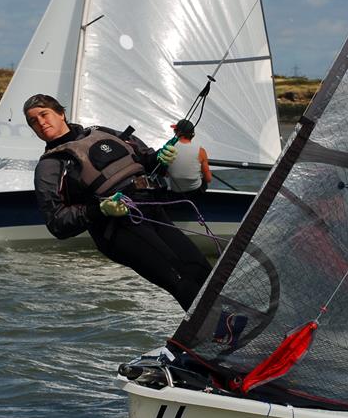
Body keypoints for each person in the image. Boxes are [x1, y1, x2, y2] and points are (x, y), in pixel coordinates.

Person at [24, 94, 212, 311]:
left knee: (201, 271)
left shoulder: (101, 133)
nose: (40, 123)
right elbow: (56, 222)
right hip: (116, 228)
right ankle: (215, 336)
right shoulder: (50, 165)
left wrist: (160, 159)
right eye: (33, 121)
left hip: (150, 211)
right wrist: (101, 209)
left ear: (61, 113)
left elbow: (145, 161)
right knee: (180, 278)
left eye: (44, 114)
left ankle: (235, 322)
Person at [165, 118, 212, 199]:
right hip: (194, 192)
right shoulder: (201, 151)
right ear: (192, 134)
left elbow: (165, 174)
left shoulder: (169, 148)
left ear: (177, 132)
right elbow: (208, 179)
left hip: (175, 192)